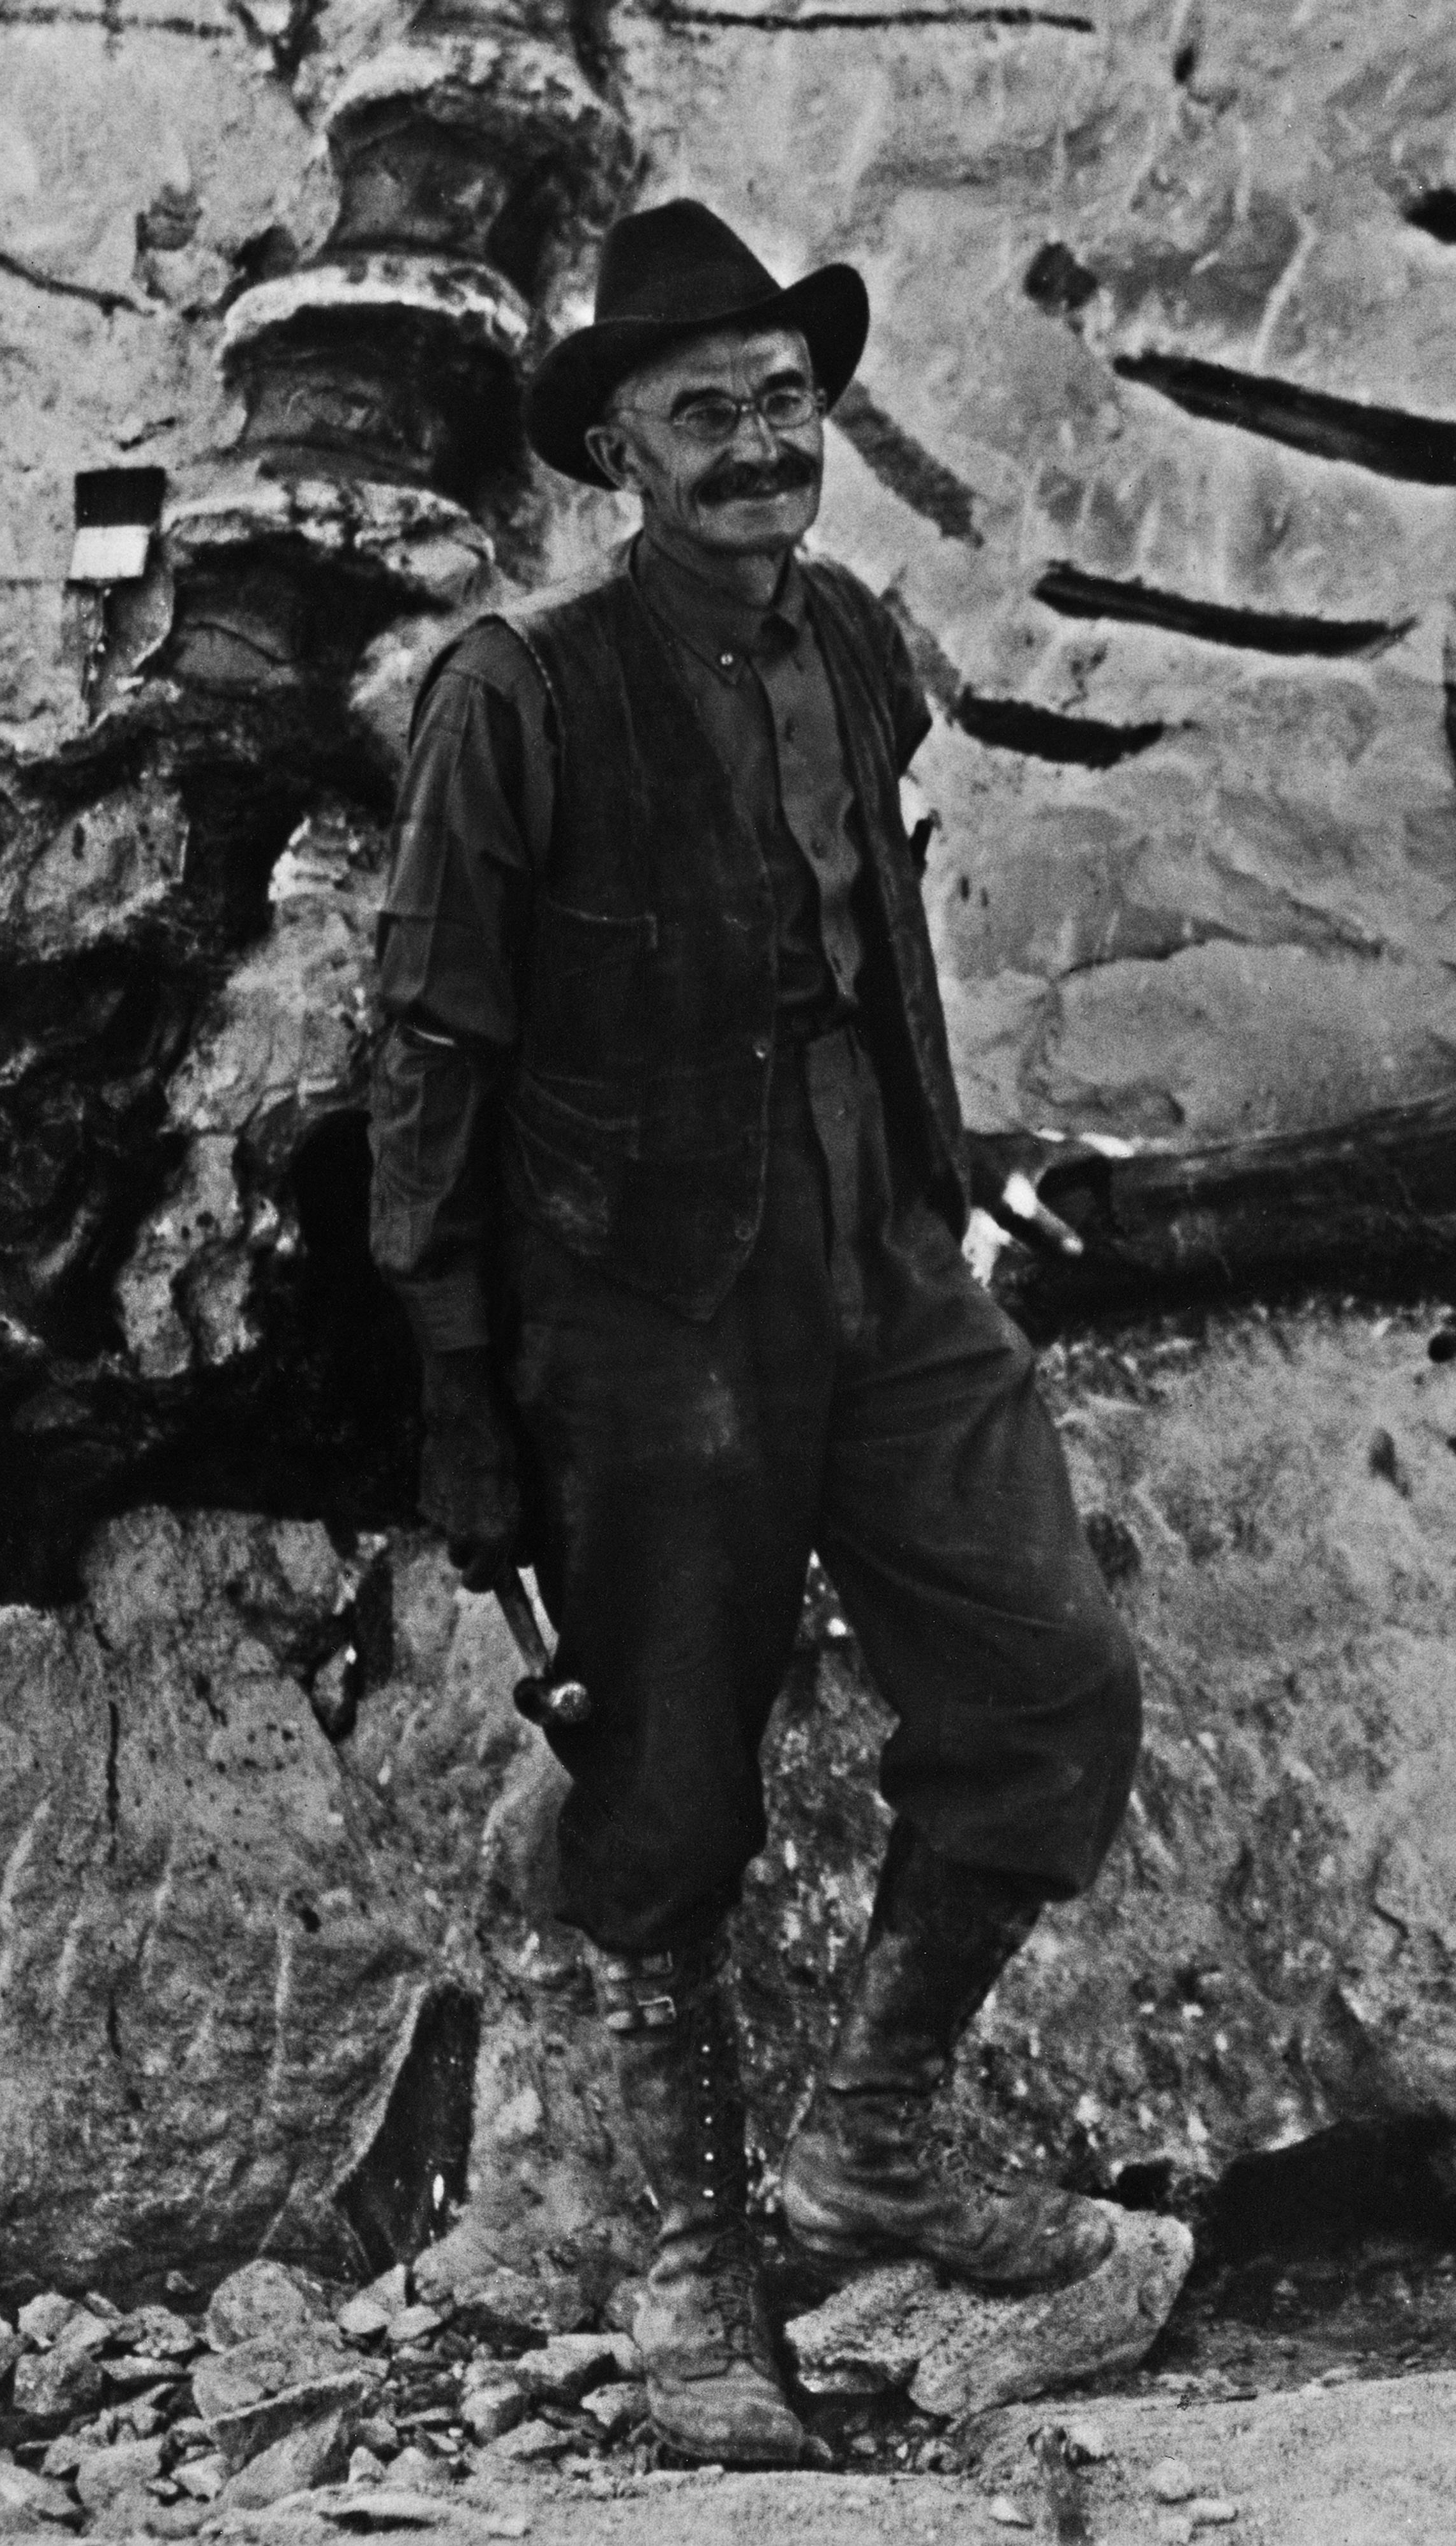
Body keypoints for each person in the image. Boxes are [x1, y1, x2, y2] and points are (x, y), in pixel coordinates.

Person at [368, 200, 1143, 2466]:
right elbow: (424, 1048)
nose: (756, 447)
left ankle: (872, 2136)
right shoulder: (517, 695)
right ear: (615, 447)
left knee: (1045, 1677)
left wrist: (950, 1161)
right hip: (643, 1309)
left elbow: (863, 931)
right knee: (663, 1784)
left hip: (879, 1260)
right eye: (700, 413)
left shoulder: (857, 642)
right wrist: (460, 1392)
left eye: (786, 403)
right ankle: (694, 2267)